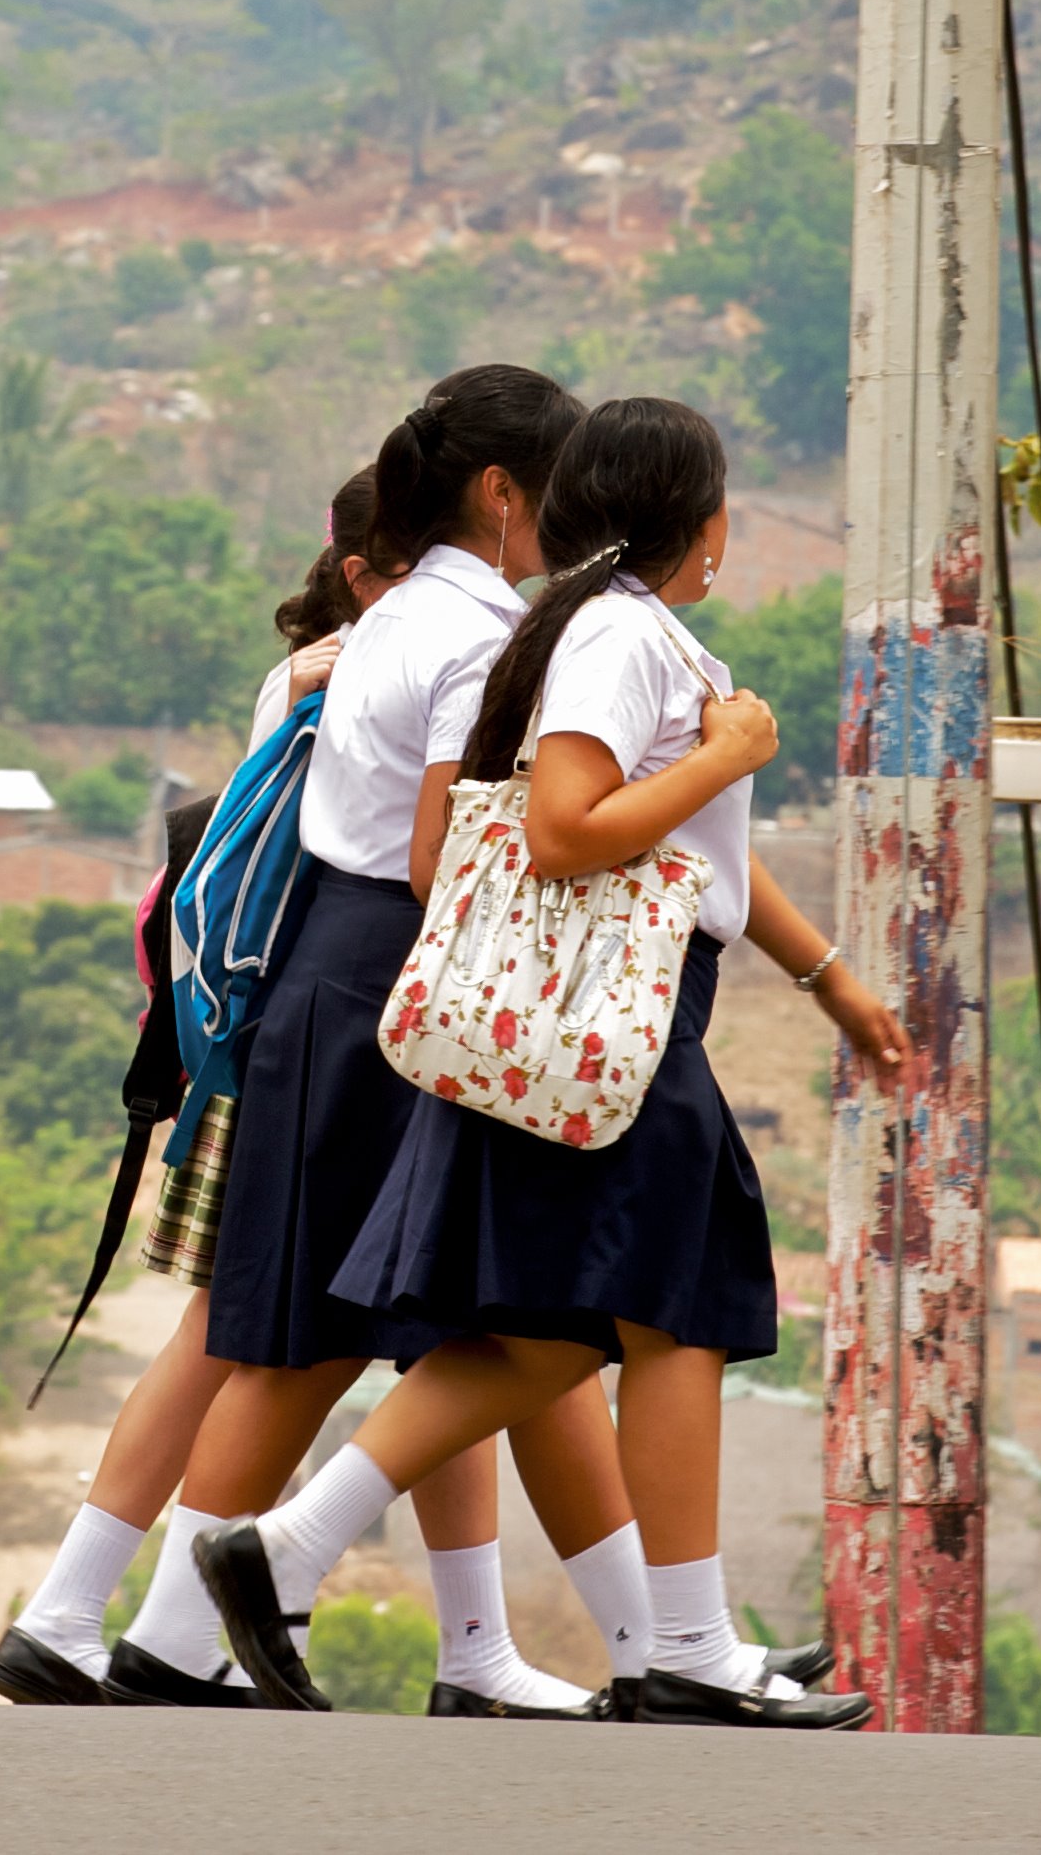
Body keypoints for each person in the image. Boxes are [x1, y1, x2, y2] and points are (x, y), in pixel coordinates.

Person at [191, 397, 907, 1729]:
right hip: (610, 1026)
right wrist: (729, 756)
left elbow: (707, 874)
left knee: (546, 1335)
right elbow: (565, 832)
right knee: (677, 1314)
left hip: (603, 1017)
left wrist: (832, 982)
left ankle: (288, 1544)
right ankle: (685, 1649)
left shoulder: (601, 632)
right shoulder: (617, 641)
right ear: (701, 519)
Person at [102, 369, 684, 1719]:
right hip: (394, 980)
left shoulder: (388, 619)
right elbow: (441, 852)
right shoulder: (482, 636)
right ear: (501, 495)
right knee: (353, 1331)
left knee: (333, 1326)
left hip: (325, 979)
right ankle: (176, 1629)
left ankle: (179, 1633)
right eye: (556, 490)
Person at [0, 470, 391, 1709]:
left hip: (268, 1043)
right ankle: (113, 1619)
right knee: (246, 1334)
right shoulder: (351, 674)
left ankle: (124, 1620)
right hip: (306, 1048)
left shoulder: (316, 669)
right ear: (378, 569)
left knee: (343, 1337)